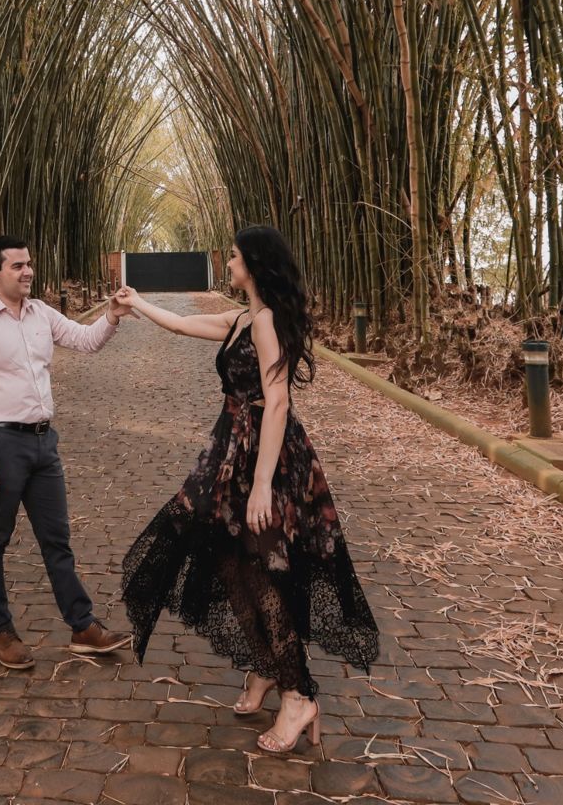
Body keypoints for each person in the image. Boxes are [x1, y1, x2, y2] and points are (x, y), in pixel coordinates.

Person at [115, 225, 379, 754]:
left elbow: (277, 402)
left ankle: (299, 695)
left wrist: (261, 485)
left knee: (262, 572)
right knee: (231, 563)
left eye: (233, 257)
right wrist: (137, 302)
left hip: (267, 460)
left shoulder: (267, 325)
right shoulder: (242, 319)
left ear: (254, 266)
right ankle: (264, 663)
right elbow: (185, 324)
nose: (227, 262)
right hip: (233, 451)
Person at [0, 234, 134, 669]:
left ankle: (82, 627)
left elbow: (86, 340)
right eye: (17, 266)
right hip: (1, 443)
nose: (28, 271)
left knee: (57, 539)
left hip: (42, 442)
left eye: (29, 263)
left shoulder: (40, 313)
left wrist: (111, 315)